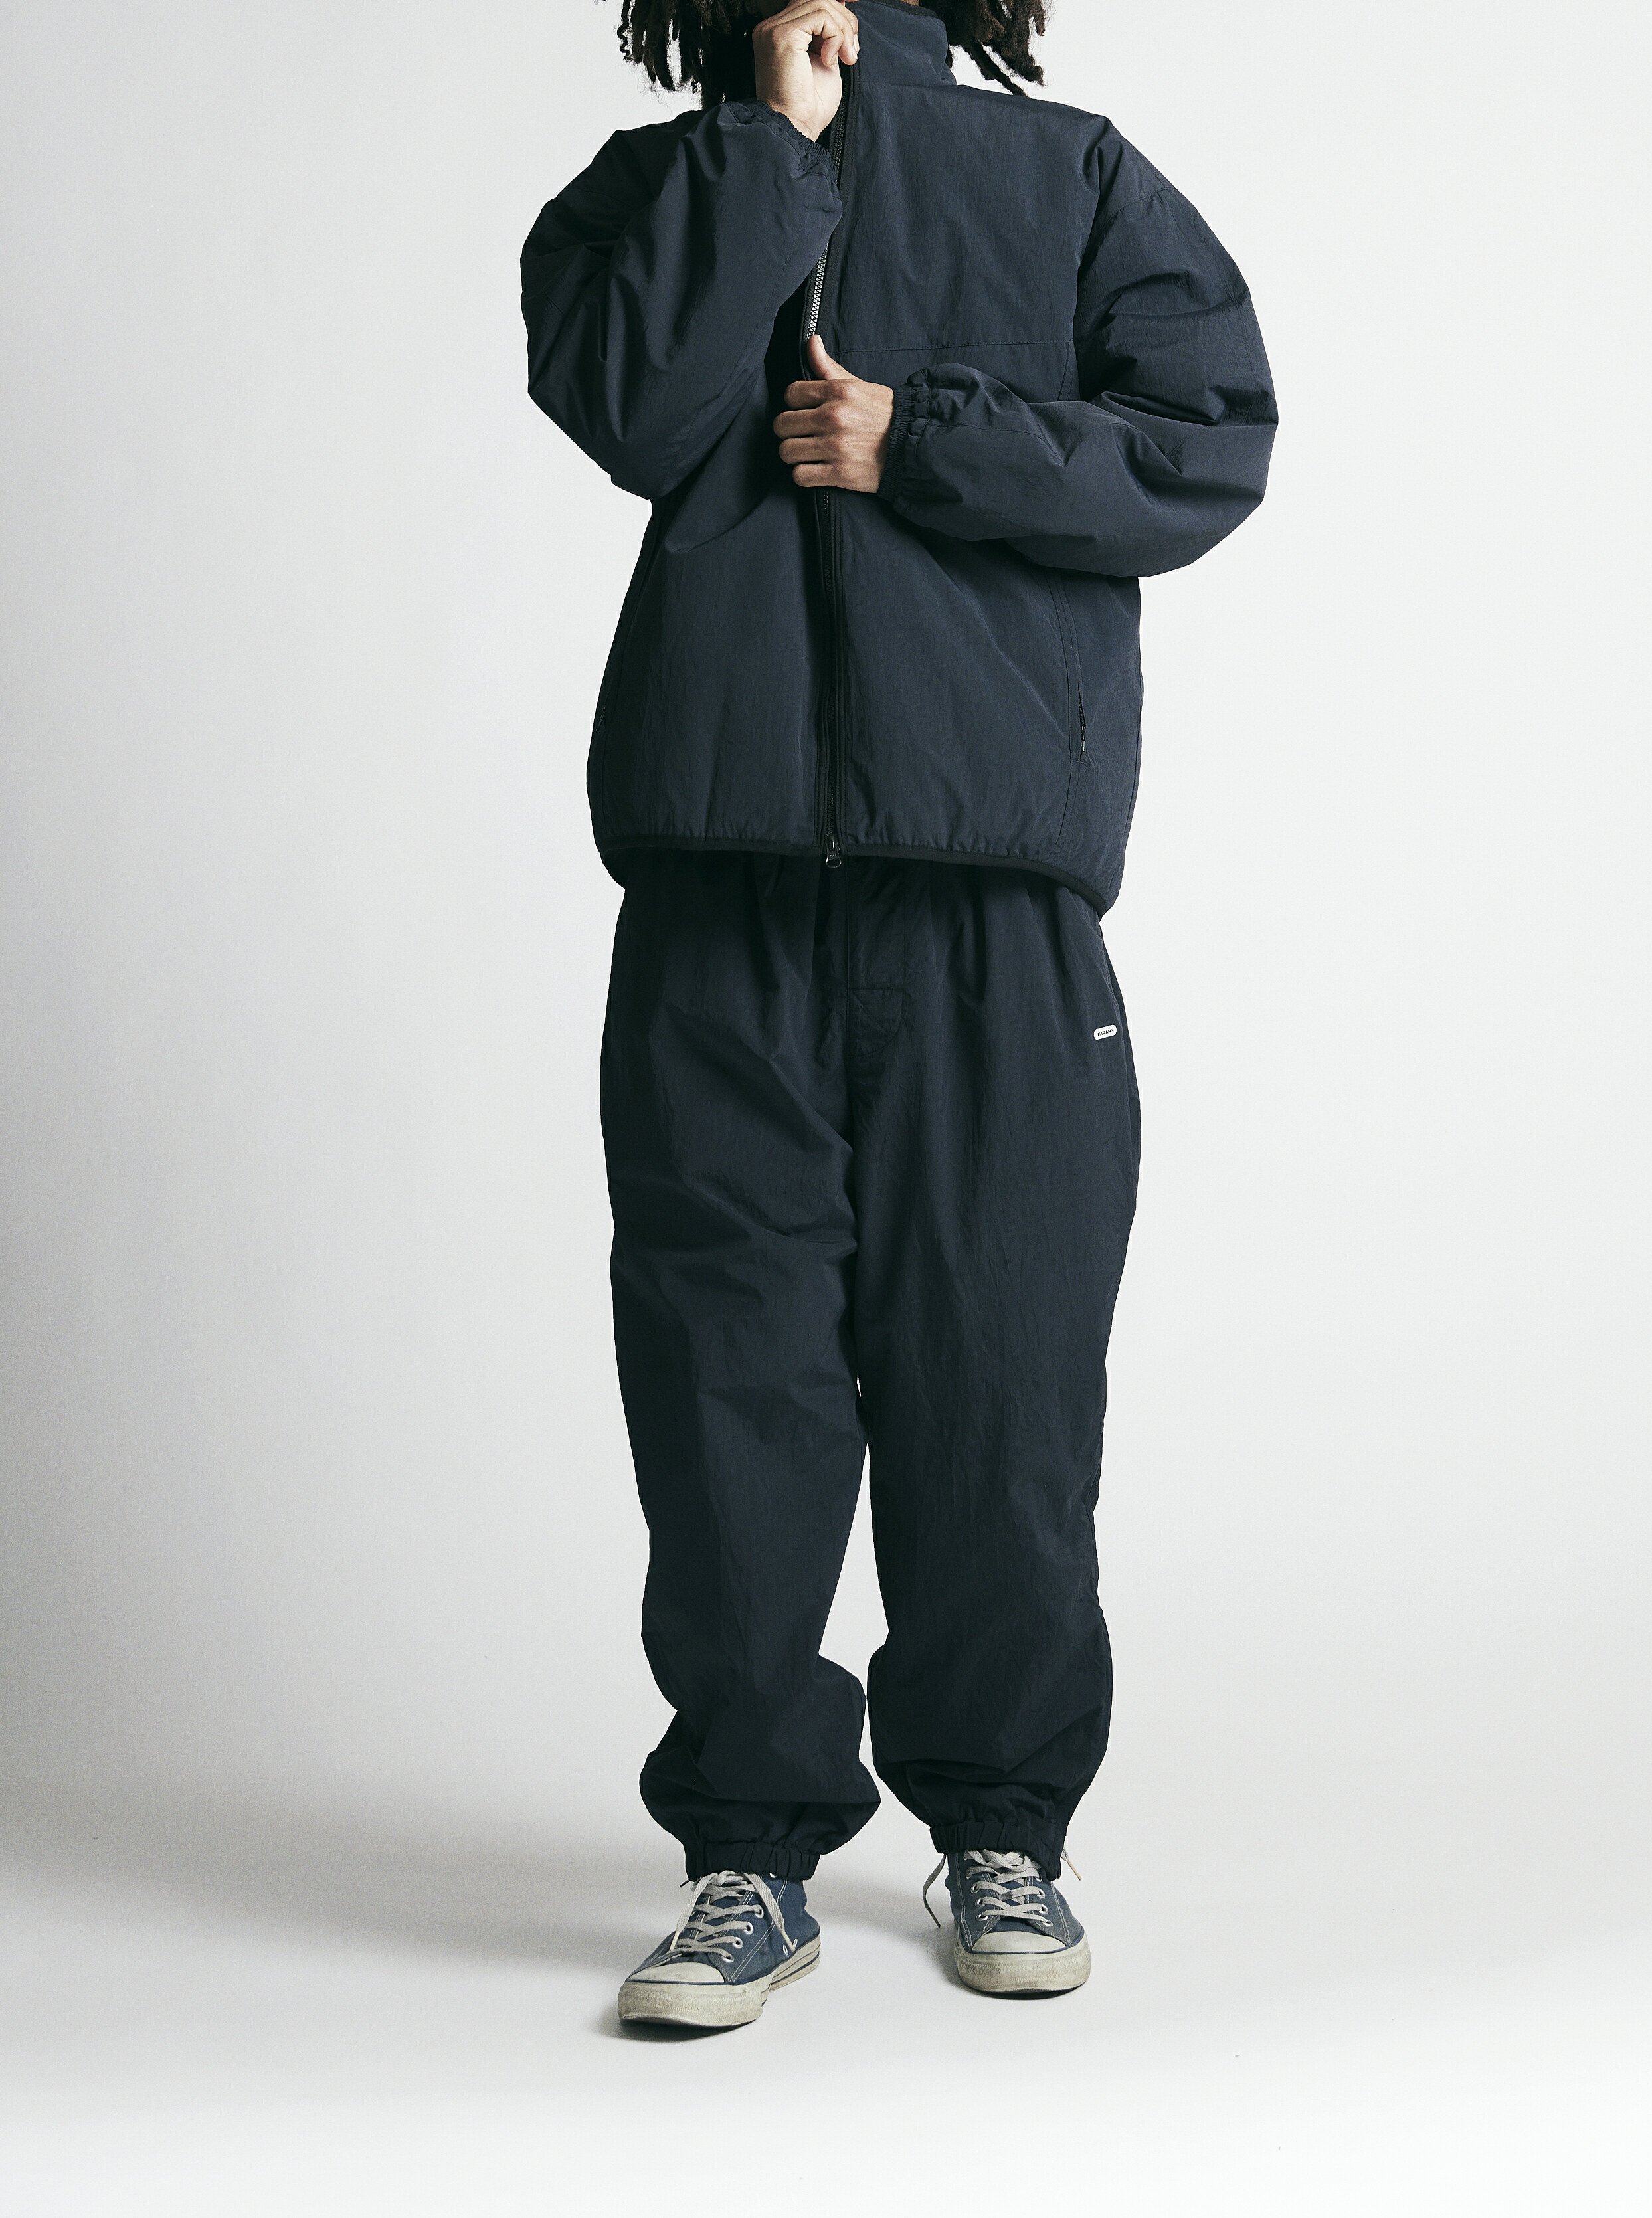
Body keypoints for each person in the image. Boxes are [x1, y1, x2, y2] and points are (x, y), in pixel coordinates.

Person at [520, 0, 1275, 2028]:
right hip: (721, 900)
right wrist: (769, 159)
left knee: (1001, 1381)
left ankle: (1001, 1821)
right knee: (727, 1392)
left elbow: (1211, 439)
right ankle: (748, 1856)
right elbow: (634, 406)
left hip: (992, 909)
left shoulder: (1068, 177)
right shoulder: (647, 197)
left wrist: (921, 438)